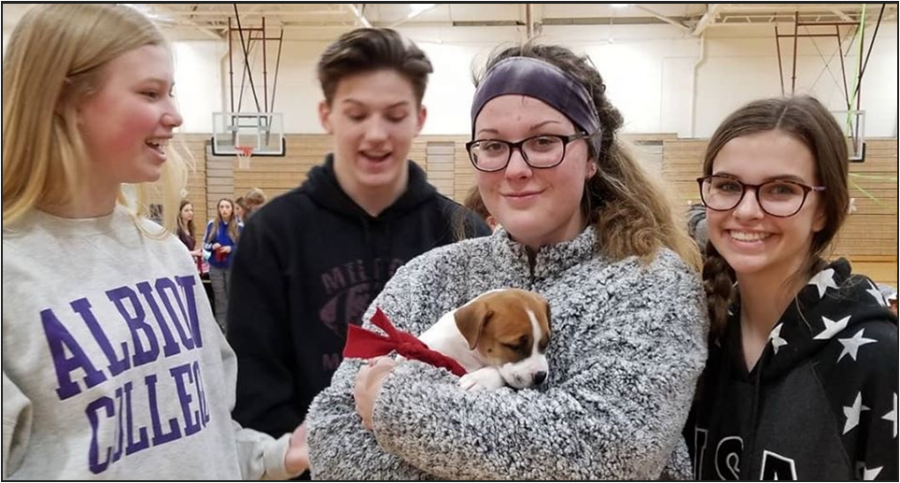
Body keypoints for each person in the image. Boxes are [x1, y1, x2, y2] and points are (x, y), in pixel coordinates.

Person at [304, 43, 707, 479]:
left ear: (591, 156)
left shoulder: (653, 284)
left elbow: (610, 452)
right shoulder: (426, 277)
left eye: (544, 141)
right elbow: (331, 437)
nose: (515, 168)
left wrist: (392, 404)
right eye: (494, 145)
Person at [1, 4, 306, 479]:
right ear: (64, 101)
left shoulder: (168, 256)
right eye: (150, 93)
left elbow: (208, 433)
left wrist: (275, 455)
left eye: (172, 92)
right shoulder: (13, 272)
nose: (177, 115)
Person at [226, 26, 491, 474]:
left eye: (394, 114)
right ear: (327, 115)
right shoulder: (271, 234)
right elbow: (257, 391)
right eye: (356, 114)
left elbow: (491, 375)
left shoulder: (465, 232)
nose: (375, 135)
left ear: (419, 119)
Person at [686, 96, 897, 480]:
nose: (747, 210)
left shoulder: (878, 355)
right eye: (728, 185)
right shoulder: (695, 335)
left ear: (824, 210)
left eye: (781, 189)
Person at [203, 198, 242, 331]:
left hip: (232, 266)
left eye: (227, 207)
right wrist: (213, 246)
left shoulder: (239, 226)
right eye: (222, 207)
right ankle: (221, 324)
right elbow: (205, 245)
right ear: (218, 209)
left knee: (232, 295)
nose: (224, 210)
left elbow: (244, 246)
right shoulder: (211, 225)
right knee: (219, 296)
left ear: (232, 209)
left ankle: (233, 323)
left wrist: (231, 249)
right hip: (216, 266)